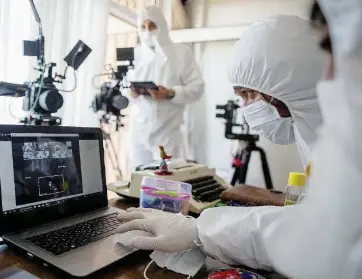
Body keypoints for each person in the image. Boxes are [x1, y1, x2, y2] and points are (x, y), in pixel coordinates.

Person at [116, 1, 362, 278]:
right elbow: (321, 220)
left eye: (248, 94)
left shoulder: (348, 137)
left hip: (169, 128)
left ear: (290, 77)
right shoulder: (318, 133)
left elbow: (326, 235)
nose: (246, 109)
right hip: (142, 125)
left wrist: (200, 230)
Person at [228, 15, 326, 168]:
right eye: (241, 96)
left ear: (292, 83)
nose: (245, 106)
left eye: (249, 93)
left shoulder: (349, 144)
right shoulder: (307, 131)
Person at [128, 6, 204, 169]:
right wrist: (131, 92)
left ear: (162, 26)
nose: (147, 31)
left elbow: (197, 88)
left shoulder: (181, 52)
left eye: (152, 26)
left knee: (166, 181)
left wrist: (170, 93)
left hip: (167, 132)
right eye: (143, 27)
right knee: (137, 181)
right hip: (138, 131)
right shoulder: (136, 54)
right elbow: (123, 86)